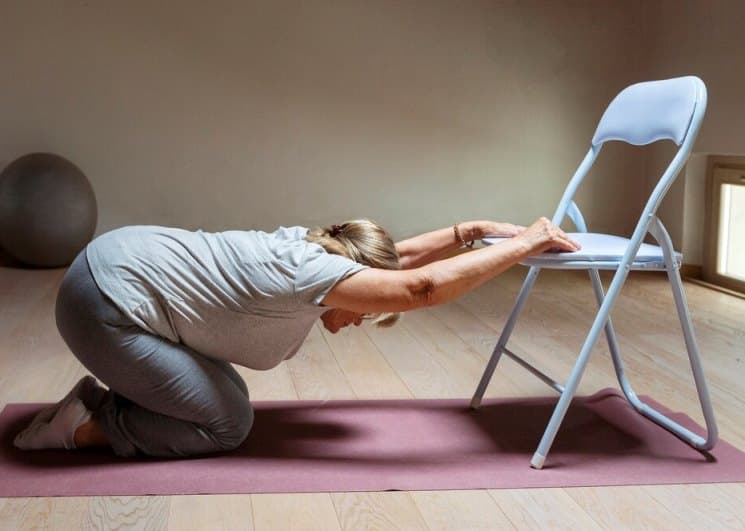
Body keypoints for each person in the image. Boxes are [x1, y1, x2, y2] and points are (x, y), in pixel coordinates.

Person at [13, 217, 579, 458]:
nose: (358, 318)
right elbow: (421, 287)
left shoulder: (317, 248)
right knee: (227, 423)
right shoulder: (310, 276)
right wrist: (525, 244)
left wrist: (474, 231)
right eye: (362, 307)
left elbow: (401, 260)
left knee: (225, 391)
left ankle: (109, 398)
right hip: (101, 305)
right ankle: (81, 430)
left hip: (112, 265)